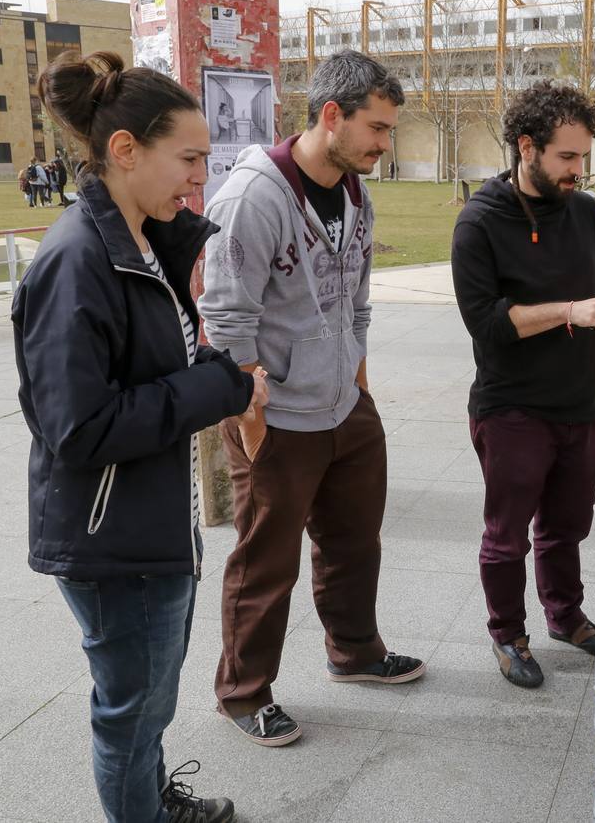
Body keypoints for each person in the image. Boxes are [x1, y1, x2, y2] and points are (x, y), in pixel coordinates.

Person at [12, 50, 262, 823]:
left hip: (146, 519)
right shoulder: (78, 262)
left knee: (148, 698)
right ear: (126, 150)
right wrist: (219, 385)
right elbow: (78, 427)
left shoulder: (142, 244)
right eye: (188, 158)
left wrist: (185, 245)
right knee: (131, 708)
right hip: (107, 538)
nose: (200, 177)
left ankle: (152, 801)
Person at [199, 50, 425, 748]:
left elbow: (356, 301)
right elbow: (226, 317)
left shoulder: (356, 191)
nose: (385, 145)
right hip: (275, 415)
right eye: (377, 129)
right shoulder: (253, 195)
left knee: (355, 541)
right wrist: (251, 416)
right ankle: (243, 693)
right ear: (332, 115)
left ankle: (353, 652)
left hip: (343, 406)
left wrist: (356, 383)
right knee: (267, 561)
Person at [451, 79, 595, 688]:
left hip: (581, 402)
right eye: (567, 156)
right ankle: (508, 633)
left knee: (567, 527)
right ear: (526, 148)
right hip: (512, 408)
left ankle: (566, 617)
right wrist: (568, 310)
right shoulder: (479, 222)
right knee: (507, 537)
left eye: (584, 156)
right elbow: (485, 322)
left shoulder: (585, 210)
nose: (578, 169)